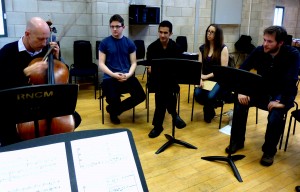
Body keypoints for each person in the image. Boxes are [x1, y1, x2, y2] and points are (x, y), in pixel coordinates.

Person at [225, 26, 300, 166]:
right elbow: (242, 71)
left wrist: (283, 102)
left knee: (276, 116)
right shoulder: (259, 50)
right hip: (262, 89)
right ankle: (237, 141)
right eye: (264, 40)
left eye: (270, 41)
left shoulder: (292, 54)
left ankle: (269, 151)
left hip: (281, 92)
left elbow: (292, 80)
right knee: (240, 103)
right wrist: (242, 91)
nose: (265, 44)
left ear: (280, 43)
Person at [0, 17, 81, 146]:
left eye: (46, 38)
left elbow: (61, 75)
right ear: (27, 34)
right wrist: (25, 72)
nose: (45, 43)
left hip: (46, 101)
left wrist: (57, 58)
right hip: (20, 105)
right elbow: (2, 86)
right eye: (40, 39)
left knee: (75, 118)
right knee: (8, 133)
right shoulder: (7, 52)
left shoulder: (46, 49)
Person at [98, 14, 145, 124]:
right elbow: (101, 63)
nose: (114, 29)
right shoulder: (104, 43)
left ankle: (113, 110)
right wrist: (114, 75)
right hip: (110, 77)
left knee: (141, 96)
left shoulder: (129, 43)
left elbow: (134, 63)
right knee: (113, 98)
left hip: (126, 76)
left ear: (123, 27)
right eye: (112, 26)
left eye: (117, 26)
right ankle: (114, 110)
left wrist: (128, 75)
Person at [146, 20, 186, 138]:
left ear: (170, 34)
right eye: (160, 32)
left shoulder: (177, 48)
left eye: (165, 33)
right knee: (164, 90)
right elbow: (149, 68)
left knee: (163, 93)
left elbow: (179, 68)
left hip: (170, 80)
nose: (162, 35)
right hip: (157, 80)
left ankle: (158, 126)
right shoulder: (152, 48)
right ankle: (174, 114)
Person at [194, 24, 229, 123]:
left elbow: (223, 70)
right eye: (208, 31)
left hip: (219, 80)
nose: (209, 34)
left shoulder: (223, 48)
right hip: (205, 79)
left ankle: (209, 108)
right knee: (197, 94)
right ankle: (210, 107)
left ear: (217, 34)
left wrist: (205, 76)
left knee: (210, 96)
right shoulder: (202, 48)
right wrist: (200, 79)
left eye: (212, 32)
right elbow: (199, 67)